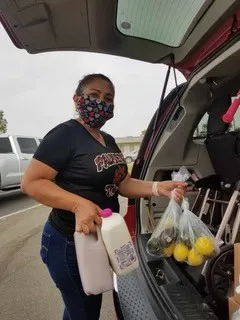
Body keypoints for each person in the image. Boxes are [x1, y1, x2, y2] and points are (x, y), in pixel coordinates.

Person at [21, 73, 187, 320]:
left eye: (108, 99)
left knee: (88, 306)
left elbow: (123, 182)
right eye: (94, 95)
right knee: (84, 311)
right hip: (70, 242)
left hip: (100, 239)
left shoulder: (107, 140)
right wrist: (78, 204)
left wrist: (156, 187)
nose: (102, 102)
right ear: (77, 99)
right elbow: (31, 182)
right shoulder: (64, 135)